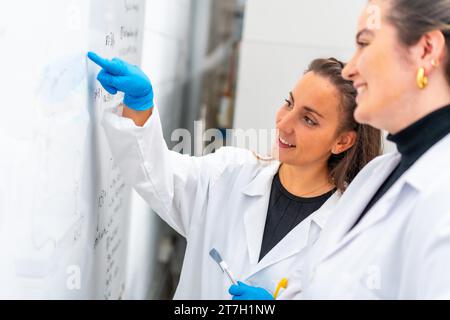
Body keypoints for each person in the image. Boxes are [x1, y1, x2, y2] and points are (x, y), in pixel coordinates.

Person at [87, 52, 381, 299]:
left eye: (308, 119)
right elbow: (154, 172)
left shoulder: (348, 231)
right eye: (289, 103)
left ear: (342, 141)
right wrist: (140, 106)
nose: (284, 123)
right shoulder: (228, 175)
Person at [282, 0, 450, 300]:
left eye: (364, 43)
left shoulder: (442, 195)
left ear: (426, 50)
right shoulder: (378, 173)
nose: (349, 70)